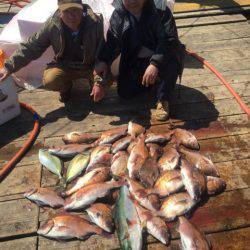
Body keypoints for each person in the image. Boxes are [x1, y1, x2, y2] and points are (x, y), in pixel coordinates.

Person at [0, 0, 108, 103]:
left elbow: (102, 54)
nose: (72, 16)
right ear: (60, 12)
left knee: (107, 81)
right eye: (66, 11)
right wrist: (9, 67)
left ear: (82, 9)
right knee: (50, 81)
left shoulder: (95, 23)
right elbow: (31, 47)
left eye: (75, 10)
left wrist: (98, 82)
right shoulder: (52, 25)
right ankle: (66, 88)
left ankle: (95, 87)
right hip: (65, 65)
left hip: (90, 66)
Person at [95, 0, 185, 121]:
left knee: (172, 60)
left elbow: (169, 40)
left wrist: (155, 64)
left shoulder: (161, 10)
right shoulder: (118, 14)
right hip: (136, 59)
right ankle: (153, 83)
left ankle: (163, 99)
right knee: (125, 94)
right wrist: (103, 61)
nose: (132, 1)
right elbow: (112, 42)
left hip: (162, 57)